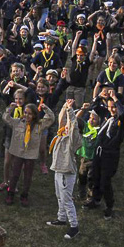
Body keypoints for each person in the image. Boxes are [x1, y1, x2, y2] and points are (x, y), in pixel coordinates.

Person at [84, 88, 124, 220]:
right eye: (110, 107)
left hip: (110, 154)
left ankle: (109, 206)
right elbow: (94, 108)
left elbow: (123, 115)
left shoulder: (123, 119)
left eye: (114, 107)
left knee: (105, 180)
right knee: (94, 176)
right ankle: (95, 199)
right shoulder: (108, 115)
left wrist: (116, 99)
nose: (112, 110)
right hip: (99, 151)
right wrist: (99, 96)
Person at [2, 101, 55, 207]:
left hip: (30, 154)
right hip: (19, 152)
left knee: (28, 176)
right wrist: (10, 108)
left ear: (35, 115)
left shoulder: (39, 125)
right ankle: (10, 193)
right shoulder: (18, 122)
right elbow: (5, 118)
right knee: (15, 174)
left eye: (30, 113)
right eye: (25, 112)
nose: (26, 115)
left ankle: (24, 195)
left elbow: (51, 118)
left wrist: (45, 109)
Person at [46, 99, 81, 239]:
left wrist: (70, 111)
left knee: (67, 199)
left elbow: (73, 126)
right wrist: (64, 107)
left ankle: (74, 226)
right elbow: (62, 121)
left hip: (67, 173)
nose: (65, 126)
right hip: (58, 170)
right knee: (59, 196)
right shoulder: (61, 135)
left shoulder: (73, 140)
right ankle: (61, 218)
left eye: (68, 126)